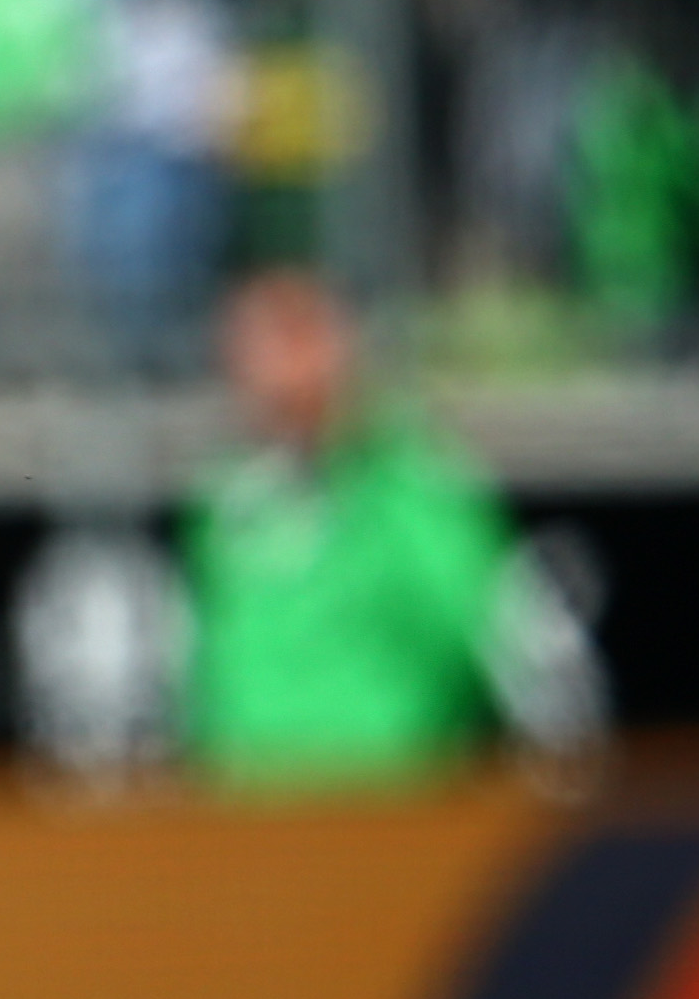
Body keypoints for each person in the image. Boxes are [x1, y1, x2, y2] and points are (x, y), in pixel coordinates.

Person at [182, 265, 598, 784]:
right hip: (246, 826)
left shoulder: (415, 487)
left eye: (292, 339)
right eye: (247, 346)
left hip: (387, 814)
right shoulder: (226, 497)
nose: (265, 368)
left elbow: (491, 633)